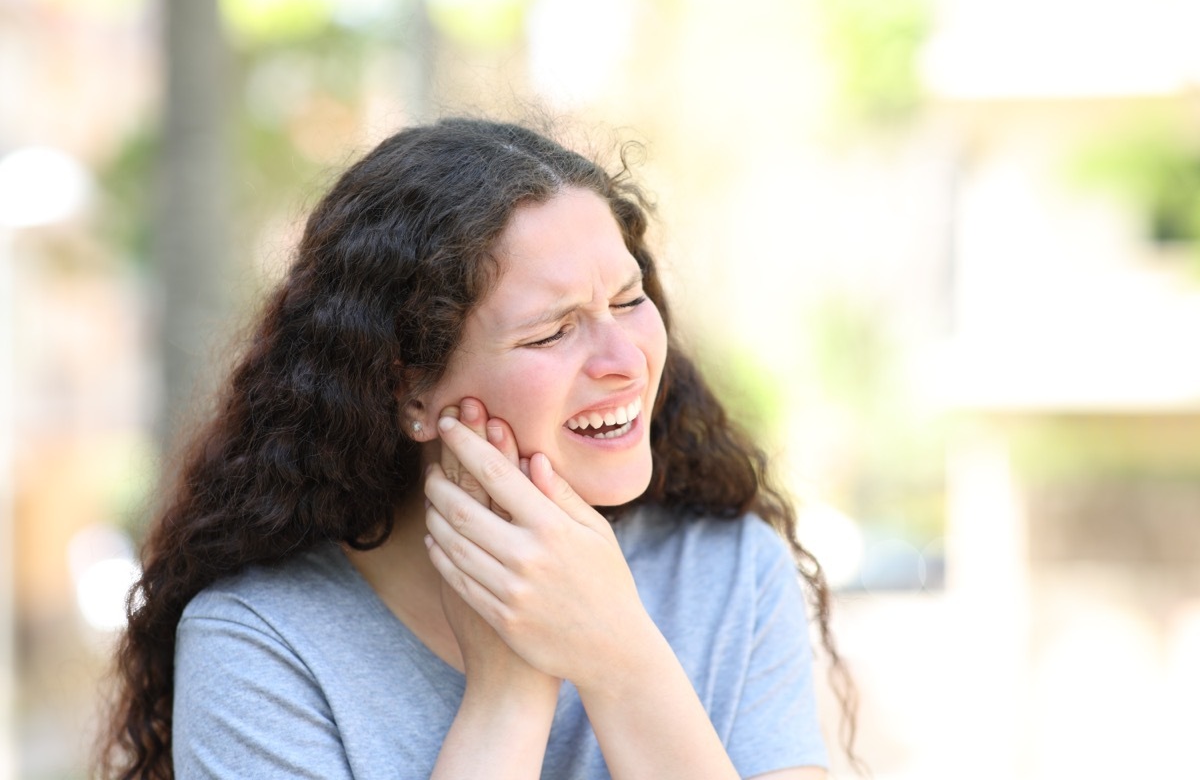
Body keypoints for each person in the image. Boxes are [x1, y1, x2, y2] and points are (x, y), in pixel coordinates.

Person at [99, 118, 856, 779]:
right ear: (409, 390)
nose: (624, 358)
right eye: (552, 331)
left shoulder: (726, 569)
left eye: (630, 301)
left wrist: (620, 654)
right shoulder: (260, 644)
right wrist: (505, 697)